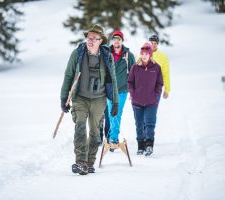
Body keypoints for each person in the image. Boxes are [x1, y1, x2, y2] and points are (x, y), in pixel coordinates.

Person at [60, 24, 119, 175]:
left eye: (94, 38)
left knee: (94, 131)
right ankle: (80, 160)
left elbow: (113, 79)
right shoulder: (78, 53)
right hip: (80, 97)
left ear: (101, 41)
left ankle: (89, 162)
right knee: (80, 125)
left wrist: (115, 102)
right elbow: (68, 75)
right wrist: (63, 97)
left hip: (99, 99)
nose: (90, 40)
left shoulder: (107, 56)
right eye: (88, 37)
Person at [127, 42, 163, 156]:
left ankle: (149, 145)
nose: (144, 56)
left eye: (146, 54)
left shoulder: (156, 67)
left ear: (150, 55)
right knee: (139, 124)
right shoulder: (135, 67)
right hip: (137, 102)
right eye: (142, 54)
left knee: (149, 123)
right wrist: (133, 93)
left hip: (151, 102)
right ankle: (140, 146)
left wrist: (156, 96)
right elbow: (130, 82)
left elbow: (159, 83)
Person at [107, 30, 135, 151]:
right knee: (109, 114)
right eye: (114, 39)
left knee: (116, 113)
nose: (116, 41)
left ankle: (113, 139)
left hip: (123, 90)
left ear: (122, 41)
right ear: (112, 41)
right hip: (109, 90)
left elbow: (134, 74)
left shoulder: (128, 55)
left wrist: (133, 90)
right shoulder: (106, 53)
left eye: (119, 39)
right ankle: (112, 137)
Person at [149, 35, 170, 99]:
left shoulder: (163, 57)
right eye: (151, 43)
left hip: (157, 87)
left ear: (157, 44)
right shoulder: (142, 55)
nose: (153, 45)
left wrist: (167, 89)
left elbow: (166, 74)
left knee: (153, 107)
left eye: (155, 43)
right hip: (144, 87)